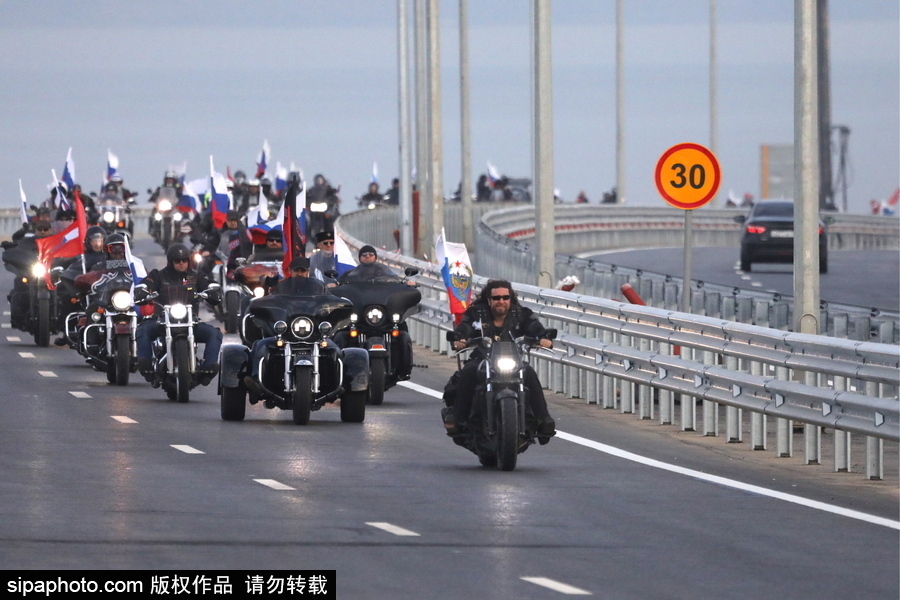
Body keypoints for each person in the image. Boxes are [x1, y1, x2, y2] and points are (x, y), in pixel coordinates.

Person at [444, 279, 556, 443]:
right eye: (496, 298)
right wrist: (460, 338)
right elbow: (465, 326)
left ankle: (543, 420)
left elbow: (534, 326)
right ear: (489, 299)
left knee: (529, 373)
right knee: (468, 372)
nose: (501, 301)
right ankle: (458, 419)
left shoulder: (521, 313)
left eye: (505, 297)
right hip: (483, 357)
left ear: (510, 298)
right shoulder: (477, 313)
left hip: (512, 359)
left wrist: (543, 338)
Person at [134, 243, 222, 385]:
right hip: (161, 321)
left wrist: (212, 290)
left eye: (184, 260)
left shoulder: (196, 276)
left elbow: (208, 284)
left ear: (189, 261)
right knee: (142, 330)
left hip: (191, 321)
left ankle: (208, 368)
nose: (181, 263)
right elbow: (146, 284)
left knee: (214, 334)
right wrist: (143, 290)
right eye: (177, 260)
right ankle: (146, 365)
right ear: (170, 261)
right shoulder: (158, 275)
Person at [243, 256, 326, 396]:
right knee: (260, 345)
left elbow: (327, 303)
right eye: (297, 270)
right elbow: (271, 301)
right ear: (290, 271)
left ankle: (340, 383)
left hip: (314, 335)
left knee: (335, 349)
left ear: (308, 271)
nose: (300, 273)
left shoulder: (318, 287)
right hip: (284, 333)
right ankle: (256, 379)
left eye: (303, 270)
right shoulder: (281, 287)